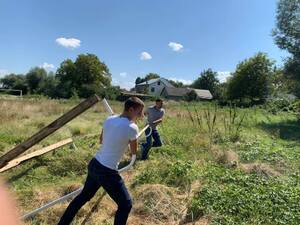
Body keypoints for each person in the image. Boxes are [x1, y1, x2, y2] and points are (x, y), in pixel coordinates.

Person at [58, 97, 144, 225]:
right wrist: (129, 138)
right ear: (131, 109)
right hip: (107, 171)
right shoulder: (132, 127)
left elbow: (101, 140)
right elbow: (134, 151)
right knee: (126, 205)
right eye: (139, 112)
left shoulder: (110, 119)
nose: (141, 115)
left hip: (95, 164)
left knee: (83, 197)